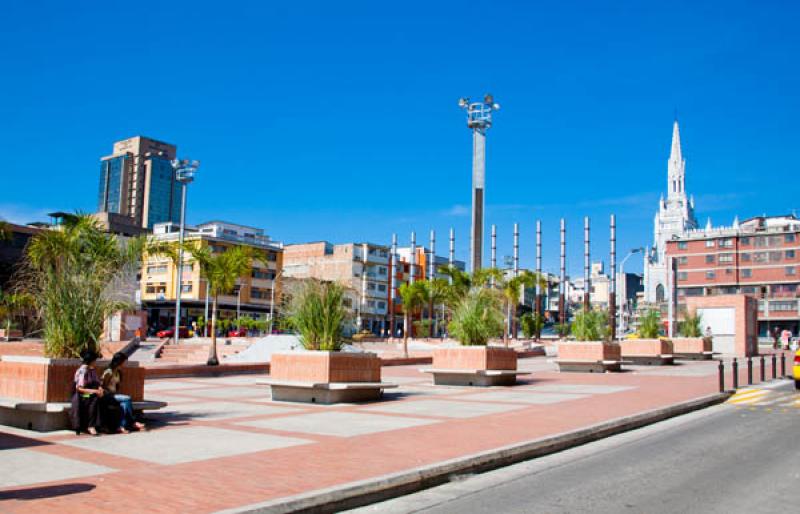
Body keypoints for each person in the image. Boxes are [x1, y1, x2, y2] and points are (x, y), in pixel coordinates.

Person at [101, 352, 145, 433]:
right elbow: (103, 386)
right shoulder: (108, 372)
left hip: (114, 395)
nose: (125, 364)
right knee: (127, 398)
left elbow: (116, 386)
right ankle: (133, 422)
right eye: (124, 361)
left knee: (124, 404)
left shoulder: (118, 372)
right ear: (119, 362)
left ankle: (121, 426)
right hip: (107, 396)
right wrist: (111, 394)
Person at [71, 350, 104, 436]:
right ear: (91, 361)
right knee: (93, 397)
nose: (95, 362)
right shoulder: (83, 371)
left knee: (102, 398)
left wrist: (100, 389)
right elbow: (79, 388)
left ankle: (100, 425)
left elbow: (97, 382)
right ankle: (91, 426)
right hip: (82, 395)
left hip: (89, 393)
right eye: (94, 360)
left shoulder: (92, 370)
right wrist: (95, 391)